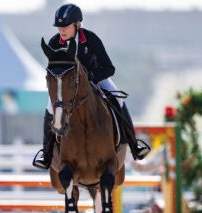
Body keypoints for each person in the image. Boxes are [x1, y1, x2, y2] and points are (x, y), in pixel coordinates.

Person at [33, 3, 151, 169]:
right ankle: (46, 153)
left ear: (76, 25)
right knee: (50, 108)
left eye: (65, 26)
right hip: (67, 87)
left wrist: (91, 77)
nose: (61, 31)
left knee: (118, 99)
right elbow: (54, 70)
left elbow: (109, 68)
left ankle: (134, 145)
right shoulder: (54, 42)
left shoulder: (90, 39)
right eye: (59, 27)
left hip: (96, 79)